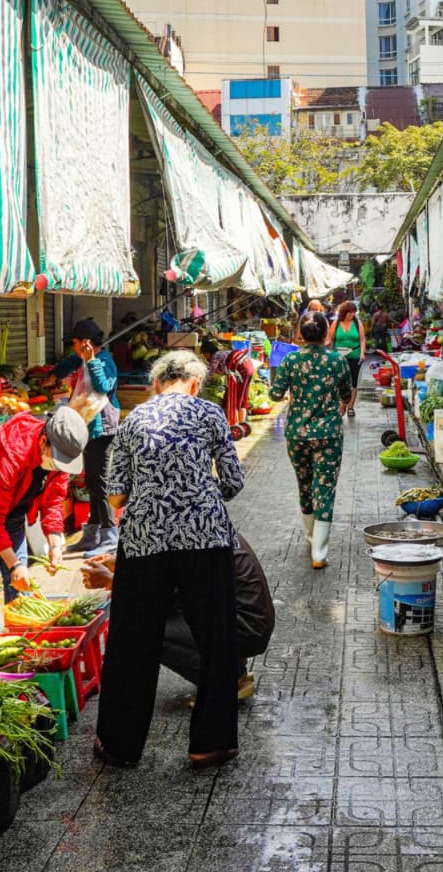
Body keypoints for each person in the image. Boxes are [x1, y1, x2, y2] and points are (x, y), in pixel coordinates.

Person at [95, 350, 244, 771]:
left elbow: (116, 495)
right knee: (215, 637)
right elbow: (233, 481)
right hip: (205, 538)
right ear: (195, 383)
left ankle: (120, 746)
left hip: (144, 541)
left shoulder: (133, 420)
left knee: (132, 639)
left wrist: (154, 496)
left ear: (156, 383)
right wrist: (197, 495)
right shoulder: (210, 414)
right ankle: (209, 745)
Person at [0, 408, 88, 633]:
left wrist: (55, 543)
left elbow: (53, 500)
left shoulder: (62, 454)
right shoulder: (12, 450)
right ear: (43, 441)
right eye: (57, 460)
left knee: (21, 581)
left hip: (14, 506)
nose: (60, 467)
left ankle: (22, 641)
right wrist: (15, 565)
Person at [81, 534, 275, 701]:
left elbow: (158, 593)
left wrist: (113, 582)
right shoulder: (196, 521)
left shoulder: (189, 537)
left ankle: (227, 679)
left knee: (139, 627)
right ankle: (229, 665)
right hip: (240, 620)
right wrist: (121, 564)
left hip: (245, 628)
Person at [269, 311, 352, 569]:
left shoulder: (290, 360)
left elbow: (274, 394)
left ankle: (309, 534)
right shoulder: (337, 360)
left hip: (297, 434)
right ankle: (319, 552)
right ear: (327, 334)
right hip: (328, 435)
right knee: (324, 489)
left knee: (304, 484)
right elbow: (346, 394)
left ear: (300, 335)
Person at [46, 318, 121, 557]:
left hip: (103, 429)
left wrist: (91, 361)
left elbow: (103, 387)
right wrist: (53, 375)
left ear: (86, 343)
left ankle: (110, 536)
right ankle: (92, 536)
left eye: (76, 343)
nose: (74, 348)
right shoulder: (80, 358)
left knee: (100, 482)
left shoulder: (104, 361)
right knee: (92, 482)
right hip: (87, 426)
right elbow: (69, 362)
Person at [327, 300, 366, 418]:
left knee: (353, 382)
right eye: (350, 313)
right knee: (339, 381)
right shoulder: (336, 323)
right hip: (338, 356)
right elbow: (331, 339)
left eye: (354, 312)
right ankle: (341, 403)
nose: (352, 315)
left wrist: (362, 353)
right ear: (344, 312)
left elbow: (362, 339)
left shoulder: (357, 322)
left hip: (354, 354)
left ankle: (350, 407)